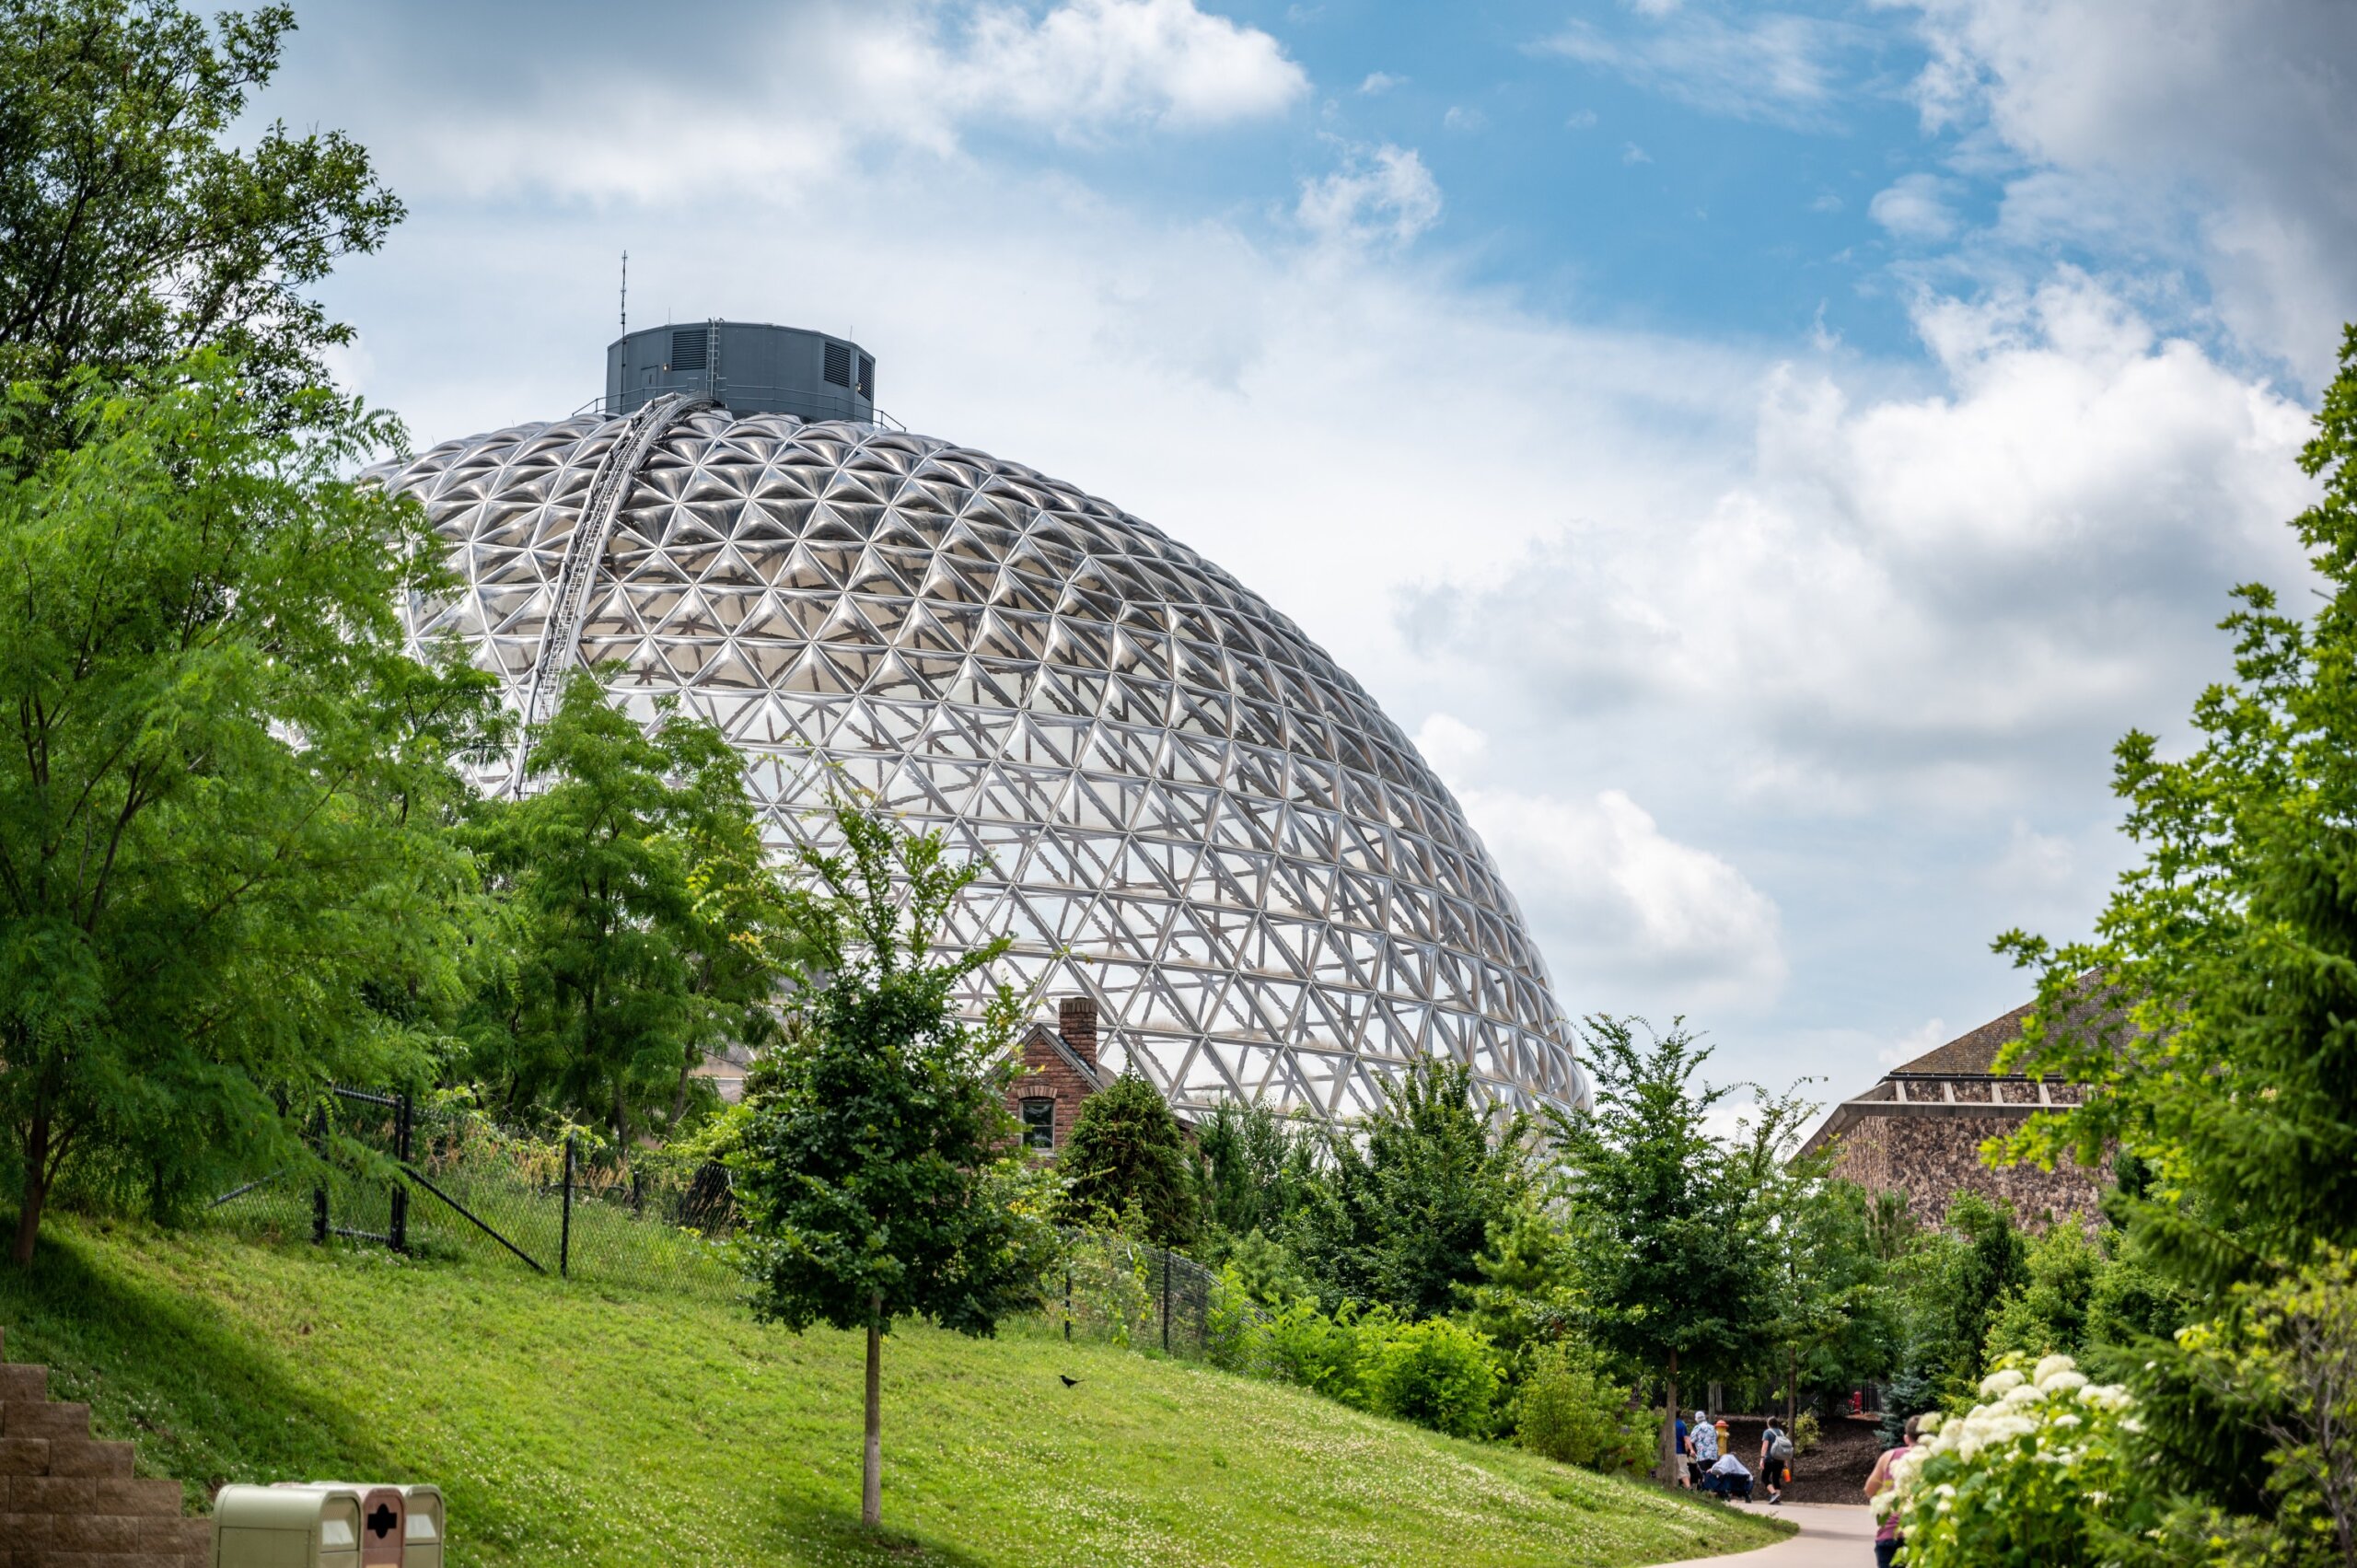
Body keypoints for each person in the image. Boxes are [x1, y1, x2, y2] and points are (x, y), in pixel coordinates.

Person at [1864, 1415, 1925, 1568]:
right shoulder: (1935, 1459)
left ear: (1906, 1438)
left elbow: (1869, 1490)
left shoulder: (1889, 1456)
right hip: (1921, 1538)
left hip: (1889, 1535)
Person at [1758, 1416, 1794, 1504]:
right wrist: (1785, 1460)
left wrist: (1762, 1458)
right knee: (1776, 1479)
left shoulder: (1767, 1432)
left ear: (1769, 1424)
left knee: (1764, 1477)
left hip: (1770, 1459)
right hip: (1780, 1459)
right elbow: (1783, 1447)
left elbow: (1765, 1446)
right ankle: (1777, 1500)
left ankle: (1774, 1494)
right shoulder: (1781, 1432)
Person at [1688, 1409, 1718, 1488]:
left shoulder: (1697, 1428)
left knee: (1704, 1473)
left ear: (1696, 1419)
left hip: (1703, 1456)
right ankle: (1713, 1489)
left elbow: (1690, 1441)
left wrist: (1692, 1450)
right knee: (1712, 1473)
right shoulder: (1712, 1427)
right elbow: (1716, 1438)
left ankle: (1706, 1488)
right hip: (1713, 1455)